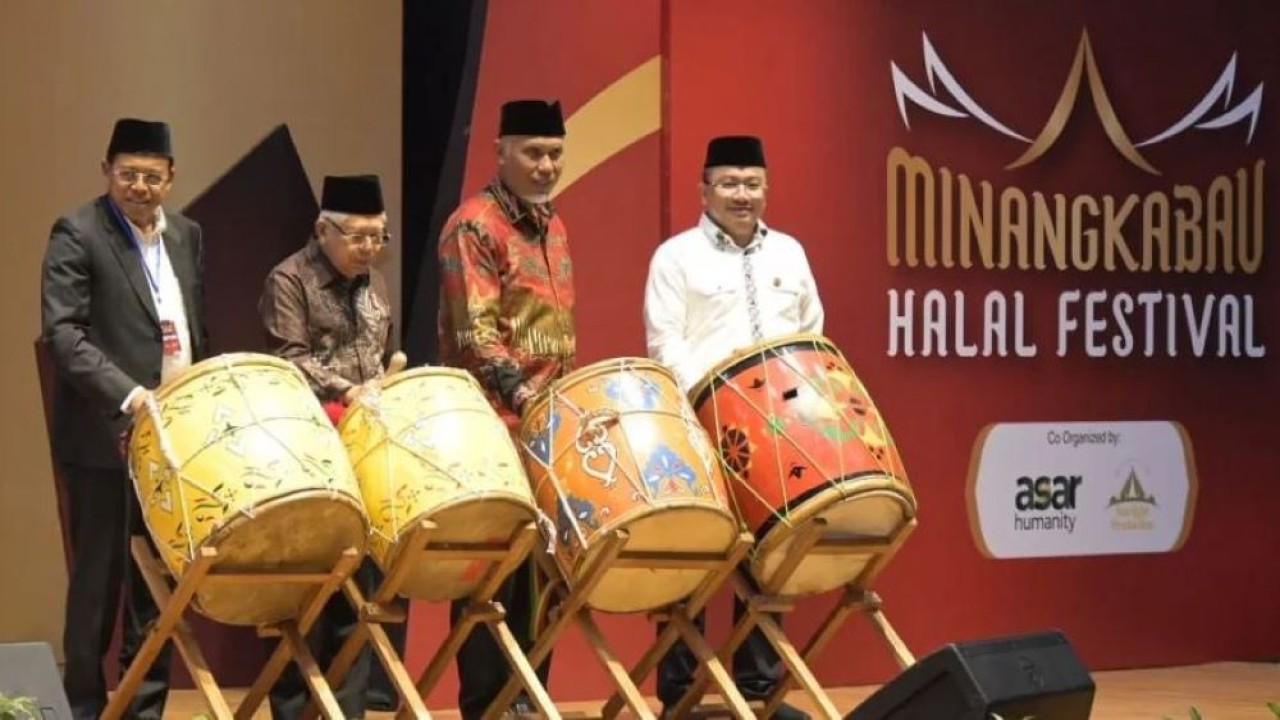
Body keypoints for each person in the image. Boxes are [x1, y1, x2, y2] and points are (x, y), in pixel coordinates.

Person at [643, 135, 823, 720]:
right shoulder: (676, 256)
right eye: (728, 184)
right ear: (704, 191)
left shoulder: (791, 253)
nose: (740, 195)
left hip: (780, 429)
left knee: (770, 552)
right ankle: (678, 694)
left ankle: (758, 690)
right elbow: (664, 341)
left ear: (766, 190)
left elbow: (811, 334)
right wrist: (719, 397)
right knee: (696, 551)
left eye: (751, 184)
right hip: (699, 421)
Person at [41, 118, 209, 720]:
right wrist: (129, 394)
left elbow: (192, 329)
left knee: (157, 589)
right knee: (97, 585)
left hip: (172, 441)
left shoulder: (186, 234)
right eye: (127, 174)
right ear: (106, 171)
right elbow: (63, 334)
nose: (139, 186)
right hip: (105, 436)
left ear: (171, 178)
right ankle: (83, 708)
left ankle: (146, 708)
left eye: (151, 176)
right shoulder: (78, 232)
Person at [437, 98, 576, 719]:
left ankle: (530, 701)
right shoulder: (474, 225)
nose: (546, 165)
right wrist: (526, 397)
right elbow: (476, 335)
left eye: (554, 154)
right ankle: (487, 708)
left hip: (547, 428)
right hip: (494, 428)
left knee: (545, 577)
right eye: (534, 152)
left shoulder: (556, 225)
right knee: (492, 579)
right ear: (501, 151)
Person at [259, 174, 406, 719]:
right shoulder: (289, 279)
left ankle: (349, 708)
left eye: (379, 237)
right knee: (307, 584)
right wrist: (350, 391)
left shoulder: (376, 283)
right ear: (323, 230)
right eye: (359, 237)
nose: (370, 249)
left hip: (366, 443)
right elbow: (289, 358)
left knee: (361, 582)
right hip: (310, 444)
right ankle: (294, 709)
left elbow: (380, 353)